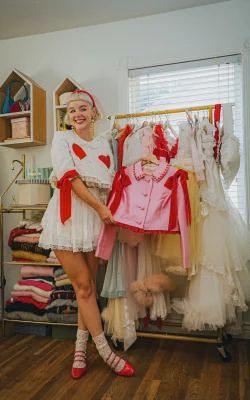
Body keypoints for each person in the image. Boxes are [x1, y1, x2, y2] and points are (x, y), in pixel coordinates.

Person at [39, 90, 134, 379]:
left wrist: (107, 211)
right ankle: (106, 353)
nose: (77, 114)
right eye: (71, 111)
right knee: (83, 287)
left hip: (95, 221)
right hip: (68, 219)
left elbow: (112, 183)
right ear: (67, 118)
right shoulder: (62, 139)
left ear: (94, 113)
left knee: (89, 288)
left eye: (83, 108)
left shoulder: (106, 143)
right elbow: (70, 177)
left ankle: (80, 350)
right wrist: (99, 208)